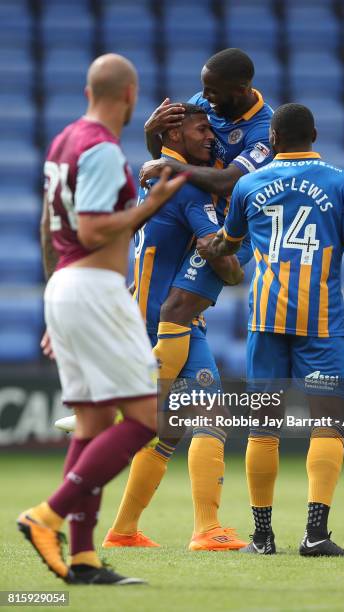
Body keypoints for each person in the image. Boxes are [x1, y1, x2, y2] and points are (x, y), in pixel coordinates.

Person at [17, 53, 187, 585]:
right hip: (96, 288)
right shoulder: (101, 151)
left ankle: (85, 558)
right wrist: (151, 204)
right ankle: (47, 515)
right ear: (130, 95)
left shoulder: (63, 141)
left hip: (67, 286)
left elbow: (51, 229)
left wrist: (55, 300)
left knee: (91, 425)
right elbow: (93, 230)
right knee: (142, 421)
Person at [199, 103, 344, 556]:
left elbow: (229, 240)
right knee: (328, 427)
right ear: (316, 135)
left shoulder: (249, 183)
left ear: (276, 141)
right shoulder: (343, 184)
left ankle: (262, 538)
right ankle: (315, 535)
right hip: (321, 323)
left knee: (263, 429)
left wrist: (211, 244)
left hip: (265, 321)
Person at [102, 48, 274, 551]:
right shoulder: (186, 189)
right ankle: (206, 529)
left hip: (153, 306)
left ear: (238, 89)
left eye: (212, 98)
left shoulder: (165, 174)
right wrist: (234, 264)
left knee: (174, 428)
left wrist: (160, 153)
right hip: (166, 317)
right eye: (199, 130)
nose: (207, 124)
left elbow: (221, 176)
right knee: (212, 415)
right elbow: (218, 254)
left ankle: (124, 530)